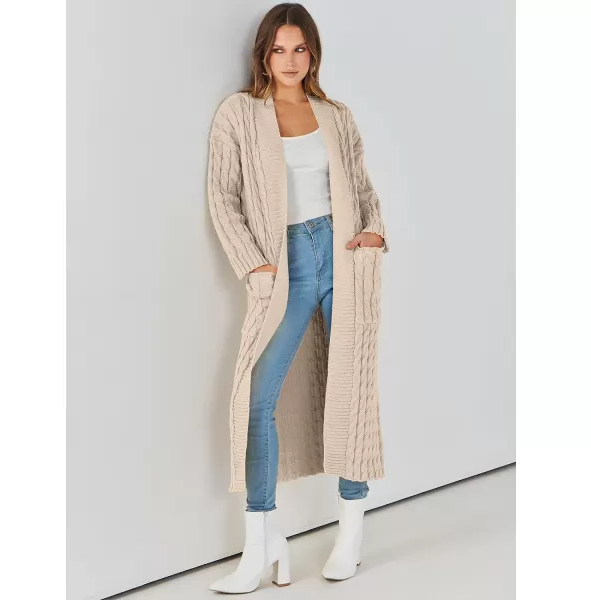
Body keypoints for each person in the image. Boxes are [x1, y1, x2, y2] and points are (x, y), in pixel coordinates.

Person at [207, 3, 388, 593]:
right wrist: (254, 263)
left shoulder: (335, 114)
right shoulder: (239, 113)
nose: (289, 60)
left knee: (352, 394)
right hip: (284, 264)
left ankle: (351, 535)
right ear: (264, 54)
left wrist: (374, 232)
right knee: (256, 398)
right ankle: (262, 544)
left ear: (313, 53)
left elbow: (362, 188)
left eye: (300, 48)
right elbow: (223, 196)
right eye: (279, 49)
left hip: (343, 257)